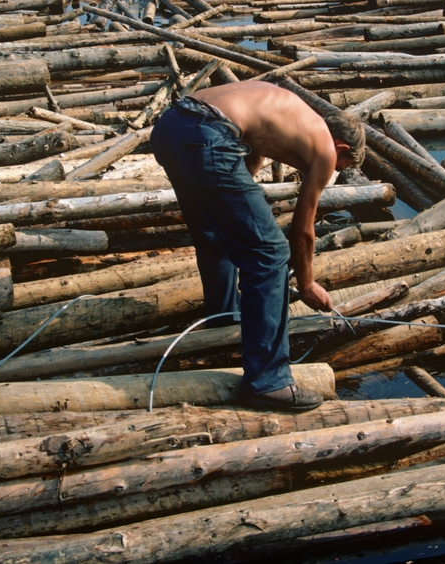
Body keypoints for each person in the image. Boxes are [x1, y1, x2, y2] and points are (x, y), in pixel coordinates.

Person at [149, 81, 366, 412]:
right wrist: (306, 284)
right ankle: (268, 381)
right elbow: (301, 233)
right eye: (341, 168)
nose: (330, 173)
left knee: (215, 235)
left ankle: (222, 319)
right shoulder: (324, 148)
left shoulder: (290, 114)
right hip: (207, 135)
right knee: (271, 254)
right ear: (342, 149)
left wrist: (241, 205)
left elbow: (252, 157)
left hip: (171, 126)